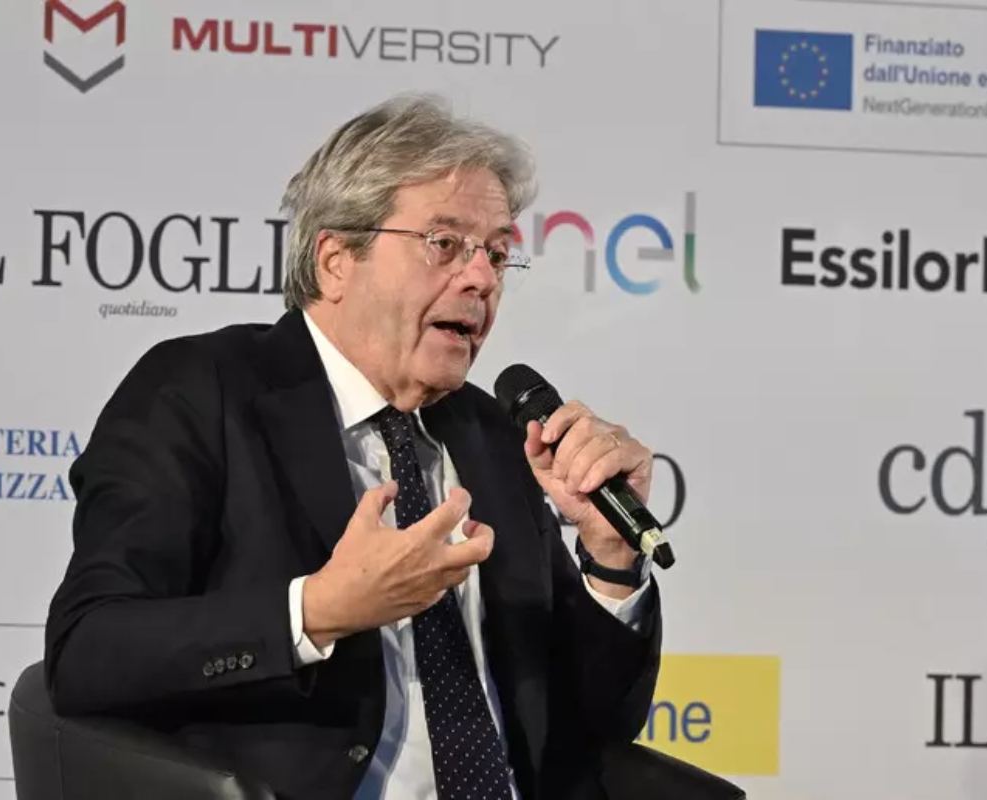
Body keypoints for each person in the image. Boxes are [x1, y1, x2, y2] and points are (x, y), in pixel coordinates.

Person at [43, 93, 663, 800]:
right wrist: (315, 610)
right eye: (445, 244)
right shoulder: (201, 393)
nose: (482, 278)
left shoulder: (490, 434)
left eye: (497, 253)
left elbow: (590, 727)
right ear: (336, 260)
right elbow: (87, 651)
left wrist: (611, 563)